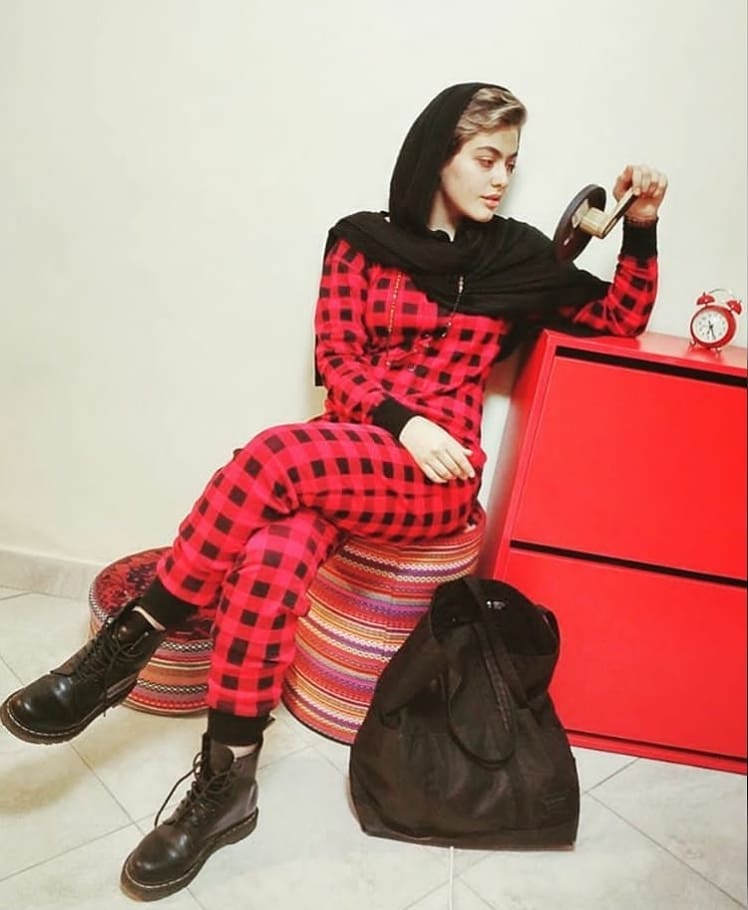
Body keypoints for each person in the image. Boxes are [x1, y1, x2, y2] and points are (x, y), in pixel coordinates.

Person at [0, 82, 667, 901]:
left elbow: (620, 317)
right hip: (354, 448)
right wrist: (400, 423)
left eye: (512, 163)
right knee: (269, 559)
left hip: (437, 472)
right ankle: (227, 786)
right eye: (487, 158)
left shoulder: (517, 258)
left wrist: (641, 224)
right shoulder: (359, 242)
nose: (502, 178)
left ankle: (123, 649)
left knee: (272, 453)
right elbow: (340, 362)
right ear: (438, 155)